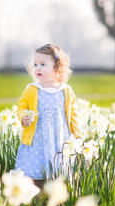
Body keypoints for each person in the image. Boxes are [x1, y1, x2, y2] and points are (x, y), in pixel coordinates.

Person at [15, 43, 80, 188]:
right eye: (36, 64)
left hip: (59, 138)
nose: (37, 68)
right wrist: (23, 118)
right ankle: (35, 190)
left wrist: (77, 135)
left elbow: (73, 114)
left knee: (58, 168)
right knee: (35, 167)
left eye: (43, 64)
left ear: (57, 68)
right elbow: (22, 107)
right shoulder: (32, 89)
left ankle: (56, 191)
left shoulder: (66, 90)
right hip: (37, 139)